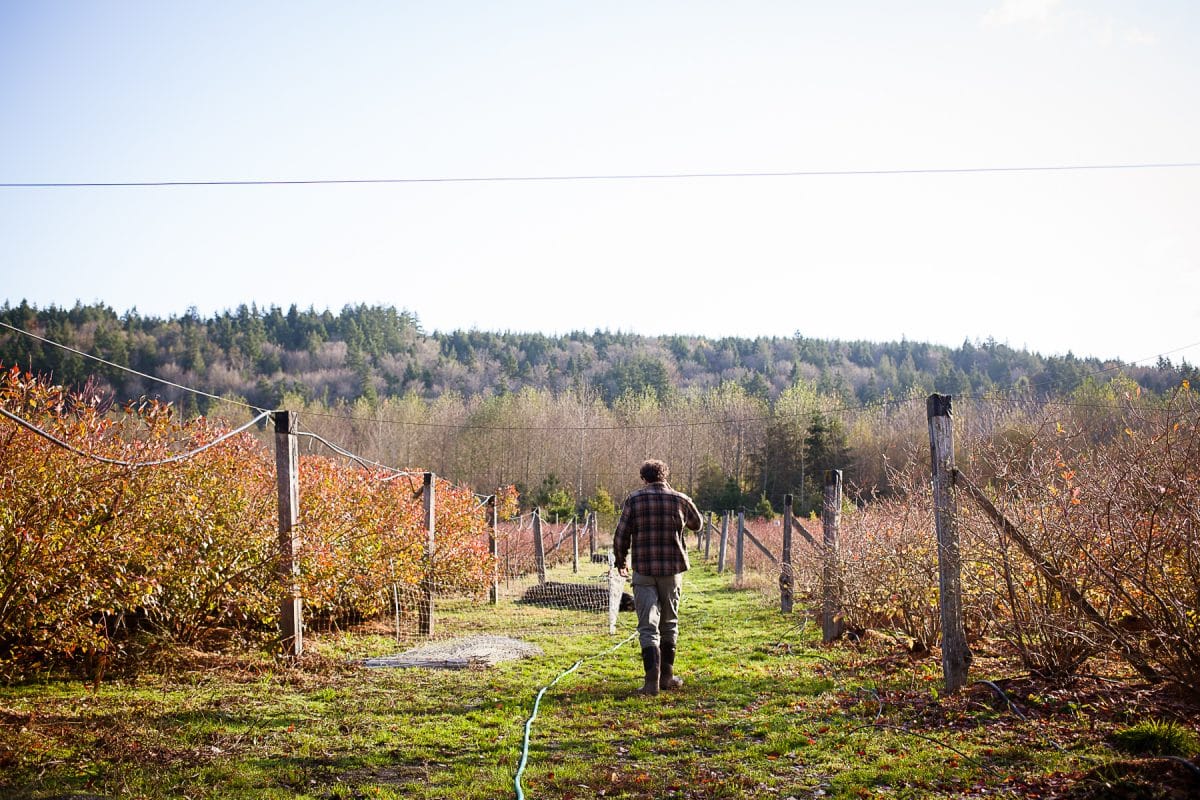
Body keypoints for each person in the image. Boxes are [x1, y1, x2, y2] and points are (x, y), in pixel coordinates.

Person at [613, 459, 702, 696]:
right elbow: (698, 525)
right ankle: (668, 677)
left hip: (643, 569)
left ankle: (651, 683)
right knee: (669, 623)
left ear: (644, 478)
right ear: (665, 476)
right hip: (672, 569)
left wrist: (620, 561)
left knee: (647, 626)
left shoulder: (634, 499)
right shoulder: (681, 500)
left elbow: (621, 534)